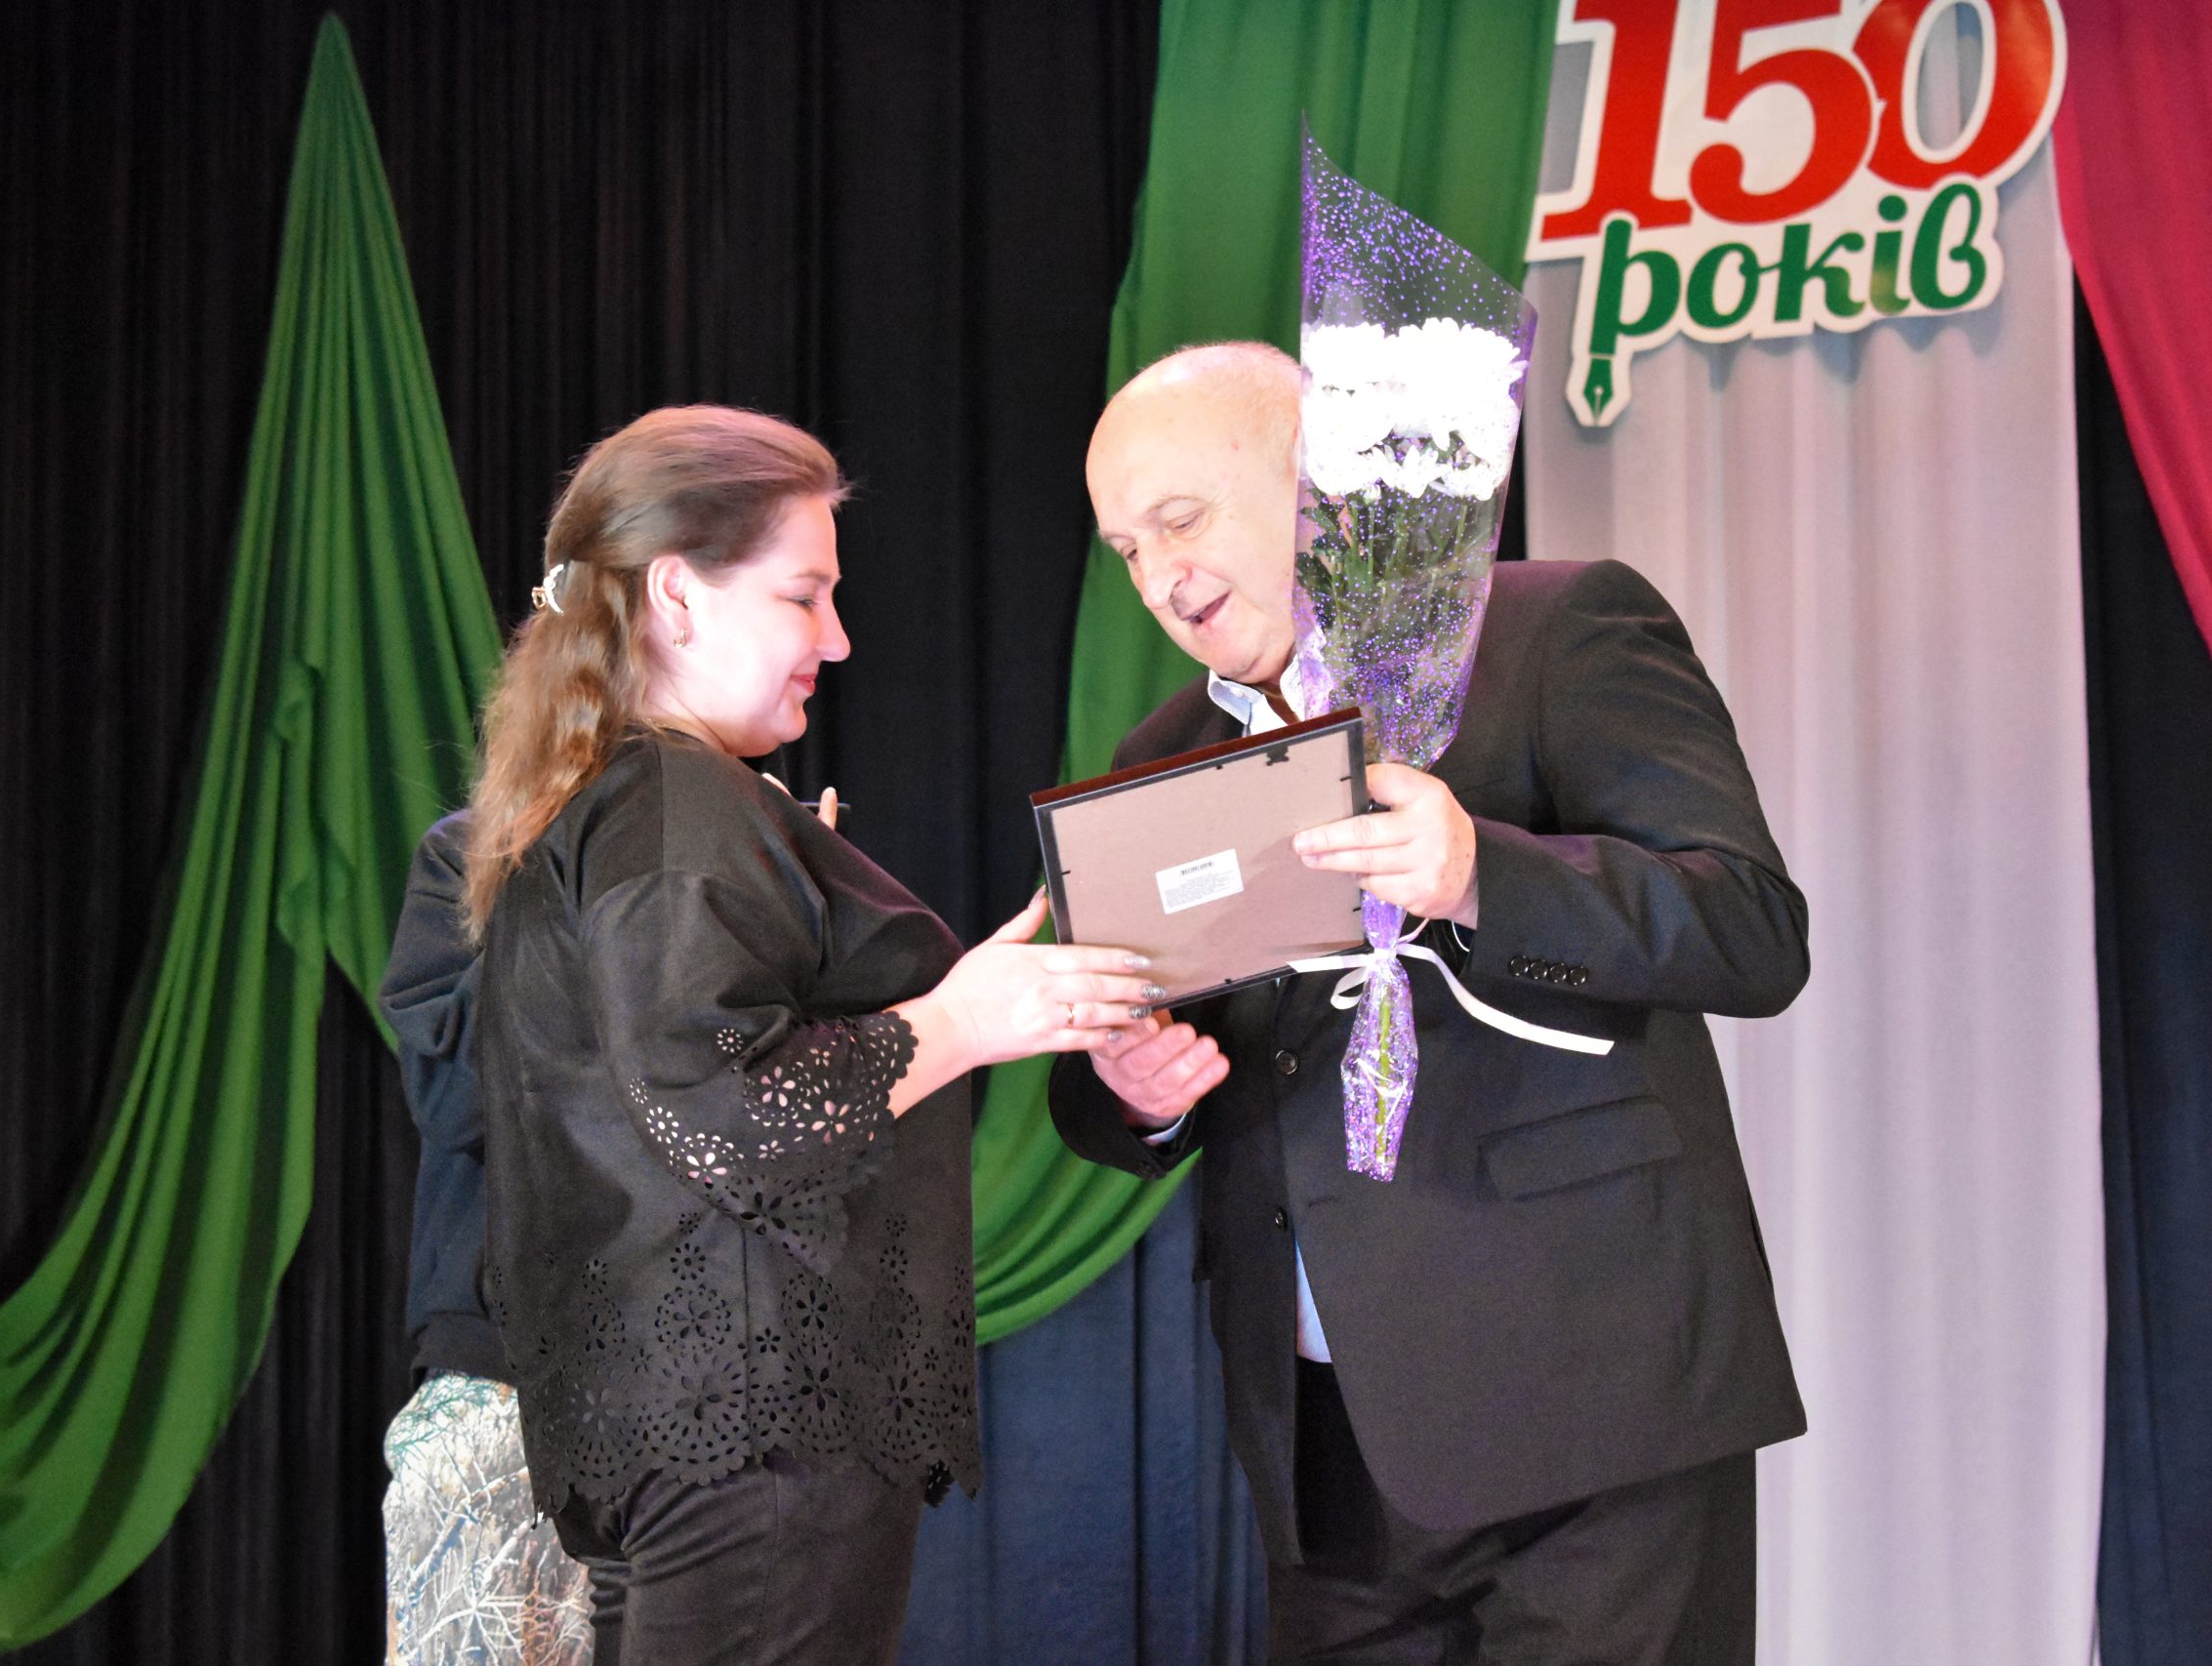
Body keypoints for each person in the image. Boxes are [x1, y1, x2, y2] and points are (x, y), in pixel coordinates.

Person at [1047, 343, 1809, 1666]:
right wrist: (1133, 1088)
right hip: (1329, 1446)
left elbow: (1749, 929)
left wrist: (1479, 876)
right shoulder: (1161, 757)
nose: (1160, 575)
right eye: (1126, 548)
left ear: (1316, 482)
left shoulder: (1554, 629)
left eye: (1180, 518)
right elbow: (1124, 1067)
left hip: (1593, 1397)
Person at [466, 406, 1155, 1666]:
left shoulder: (606, 797)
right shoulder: (674, 802)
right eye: (804, 596)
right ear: (677, 594)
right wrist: (960, 1019)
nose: (835, 640)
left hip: (686, 1431)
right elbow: (729, 1114)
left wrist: (955, 1000)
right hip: (758, 1435)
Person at [379, 810, 594, 1665]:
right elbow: (455, 1096)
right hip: (506, 1394)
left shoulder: (726, 852)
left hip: (702, 1410)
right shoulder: (480, 855)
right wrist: (580, 885)